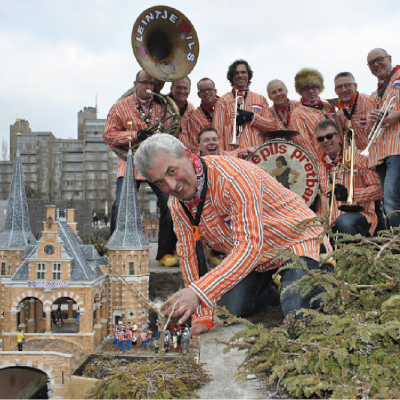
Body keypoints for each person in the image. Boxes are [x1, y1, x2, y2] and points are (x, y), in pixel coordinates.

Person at [134, 134, 332, 338]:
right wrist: (202, 315)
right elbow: (189, 256)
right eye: (160, 183)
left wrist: (198, 292)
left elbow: (249, 247)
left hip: (297, 242)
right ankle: (275, 288)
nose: (172, 186)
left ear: (186, 155)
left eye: (172, 171)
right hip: (260, 259)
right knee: (229, 311)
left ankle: (323, 274)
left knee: (296, 310)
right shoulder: (176, 205)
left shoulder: (233, 177)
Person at [103, 69, 179, 267]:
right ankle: (114, 249)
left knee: (170, 203)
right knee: (120, 206)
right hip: (129, 162)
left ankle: (164, 253)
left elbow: (173, 127)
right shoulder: (120, 106)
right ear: (135, 83)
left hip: (155, 163)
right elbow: (108, 134)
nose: (148, 87)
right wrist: (135, 135)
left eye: (152, 84)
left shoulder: (162, 106)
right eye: (144, 83)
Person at [334, 71, 386, 232]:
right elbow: (344, 140)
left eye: (347, 85)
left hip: (380, 159)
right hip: (361, 164)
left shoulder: (368, 101)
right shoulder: (340, 113)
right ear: (336, 91)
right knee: (375, 205)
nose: (344, 89)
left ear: (355, 86)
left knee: (387, 201)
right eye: (339, 87)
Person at [315, 120, 383, 236]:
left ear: (339, 137)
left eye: (329, 136)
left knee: (344, 222)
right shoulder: (317, 167)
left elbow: (379, 190)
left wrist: (351, 195)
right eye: (321, 139)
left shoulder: (360, 158)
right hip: (328, 224)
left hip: (357, 219)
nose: (326, 141)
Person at [366, 48, 400, 229]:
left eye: (379, 59)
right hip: (381, 153)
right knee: (390, 202)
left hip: (398, 148)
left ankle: (396, 247)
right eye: (371, 63)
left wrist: (398, 115)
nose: (376, 64)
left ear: (389, 58)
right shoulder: (375, 93)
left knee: (392, 201)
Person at [213, 59, 276, 153]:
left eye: (243, 72)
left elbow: (272, 126)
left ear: (248, 75)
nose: (240, 75)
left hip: (258, 154)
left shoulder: (260, 99)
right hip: (234, 156)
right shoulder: (222, 101)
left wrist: (253, 117)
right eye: (236, 73)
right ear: (231, 76)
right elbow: (217, 133)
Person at [289, 68, 343, 162]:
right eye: (306, 88)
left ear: (319, 87)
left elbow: (340, 133)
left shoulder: (329, 106)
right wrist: (323, 166)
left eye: (314, 87)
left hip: (342, 158)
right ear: (300, 91)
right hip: (322, 163)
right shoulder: (297, 115)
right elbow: (306, 147)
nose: (311, 91)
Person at [187, 78, 219, 153]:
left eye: (209, 89)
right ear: (199, 94)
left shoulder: (228, 107)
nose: (207, 92)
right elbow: (195, 145)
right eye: (203, 90)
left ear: (215, 91)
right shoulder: (194, 117)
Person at [167, 77, 197, 152]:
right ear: (171, 89)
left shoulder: (192, 110)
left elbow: (195, 137)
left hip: (185, 154)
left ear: (189, 91)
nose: (182, 91)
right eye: (178, 87)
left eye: (185, 88)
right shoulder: (160, 105)